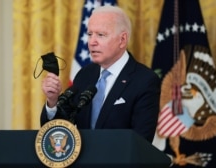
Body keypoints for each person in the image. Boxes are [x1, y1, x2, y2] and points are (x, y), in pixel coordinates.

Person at [40, 6, 160, 143]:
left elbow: (141, 142)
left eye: (101, 35)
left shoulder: (144, 80)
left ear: (122, 40)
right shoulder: (85, 74)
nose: (92, 42)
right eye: (90, 34)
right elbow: (56, 130)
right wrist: (52, 101)